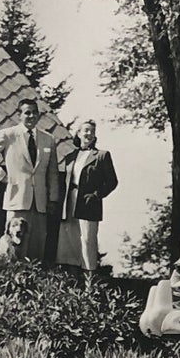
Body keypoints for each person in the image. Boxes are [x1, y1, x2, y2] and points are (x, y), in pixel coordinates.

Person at [0, 97, 60, 262]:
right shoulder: (8, 135)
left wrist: (53, 199)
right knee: (13, 251)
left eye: (35, 113)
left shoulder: (48, 139)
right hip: (17, 199)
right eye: (27, 113)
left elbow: (53, 173)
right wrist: (2, 176)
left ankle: (31, 285)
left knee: (36, 251)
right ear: (19, 115)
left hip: (41, 205)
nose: (31, 116)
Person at [58, 117, 118, 274]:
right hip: (70, 200)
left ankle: (89, 283)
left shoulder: (102, 156)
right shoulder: (70, 157)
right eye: (86, 130)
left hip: (88, 203)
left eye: (92, 131)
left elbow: (112, 182)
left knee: (87, 241)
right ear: (78, 133)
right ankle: (71, 280)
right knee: (68, 240)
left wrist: (96, 195)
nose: (89, 134)